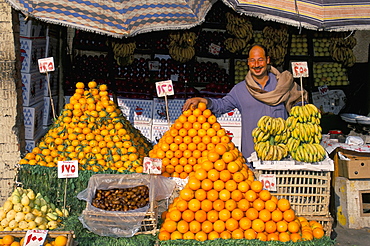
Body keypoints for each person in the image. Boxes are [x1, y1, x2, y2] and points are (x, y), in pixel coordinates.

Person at [182, 44, 308, 162]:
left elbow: (298, 101)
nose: (256, 64)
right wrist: (205, 101)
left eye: (260, 60)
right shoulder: (240, 89)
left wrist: (304, 110)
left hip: (282, 154)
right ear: (248, 62)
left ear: (268, 60)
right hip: (252, 155)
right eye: (252, 60)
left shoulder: (283, 84)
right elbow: (222, 106)